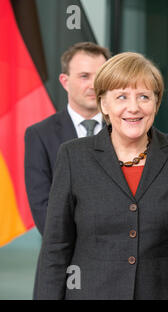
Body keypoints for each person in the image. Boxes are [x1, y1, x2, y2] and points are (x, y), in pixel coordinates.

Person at [33, 52, 168, 299]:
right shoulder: (74, 157)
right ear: (103, 103)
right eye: (121, 97)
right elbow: (56, 249)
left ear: (156, 103)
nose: (133, 108)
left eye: (144, 97)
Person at [25, 42, 111, 234]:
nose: (94, 85)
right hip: (67, 257)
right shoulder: (39, 135)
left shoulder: (126, 129)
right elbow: (43, 208)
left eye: (100, 76)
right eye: (84, 76)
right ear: (65, 81)